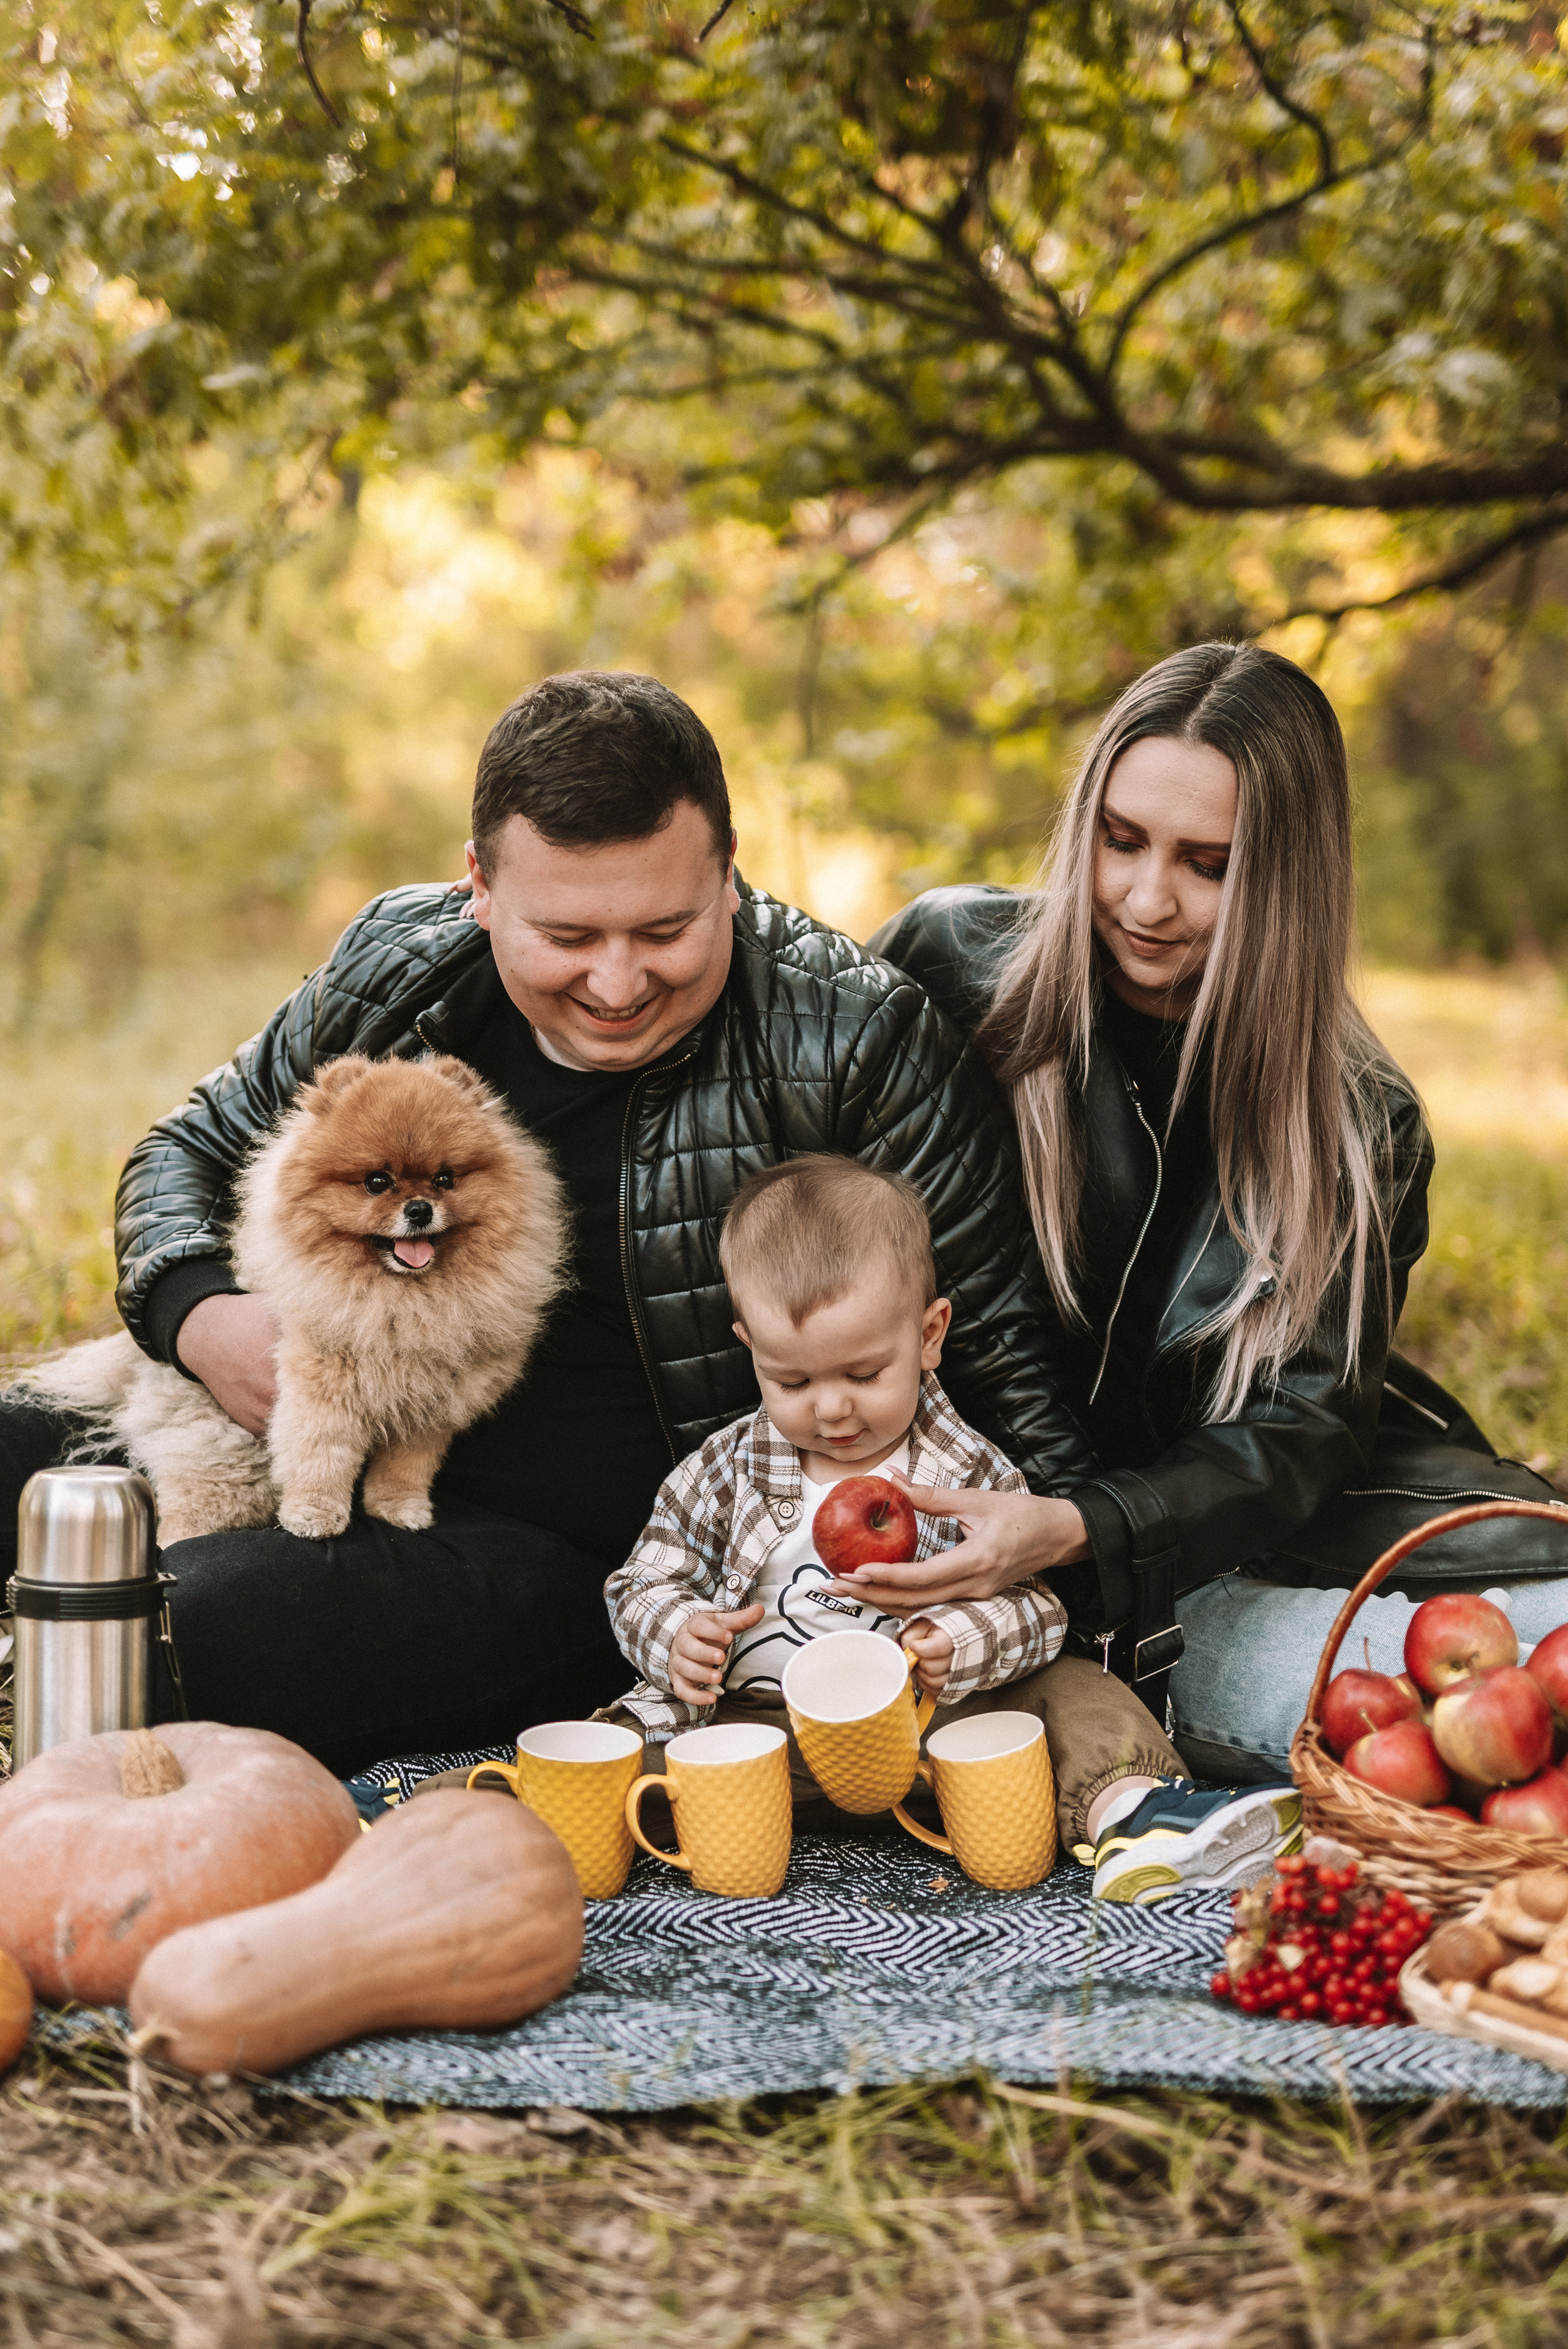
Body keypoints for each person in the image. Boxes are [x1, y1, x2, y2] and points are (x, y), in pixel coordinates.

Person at [0, 670, 1098, 1777]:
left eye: (664, 926)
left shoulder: (854, 1038)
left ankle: (91, 1714)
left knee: (206, 1619)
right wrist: (204, 1319)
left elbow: (995, 1337)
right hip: (320, 1417)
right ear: (478, 884)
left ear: (727, 871)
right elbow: (184, 1151)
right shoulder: (400, 962)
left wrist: (1072, 1560)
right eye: (568, 933)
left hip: (605, 1565)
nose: (618, 981)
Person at [862, 641, 1567, 1802]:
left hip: (1205, 1555)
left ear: (1286, 878)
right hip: (945, 1544)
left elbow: (1302, 1430)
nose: (1147, 900)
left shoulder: (1358, 1119)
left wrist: (1085, 1527)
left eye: (1209, 864)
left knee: (1519, 1680)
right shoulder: (950, 963)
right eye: (1122, 839)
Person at [601, 1154, 1302, 1897]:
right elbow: (640, 1582)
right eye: (792, 1381)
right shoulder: (723, 1470)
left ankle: (1136, 1814)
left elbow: (1039, 1610)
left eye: (864, 1374)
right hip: (755, 1738)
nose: (831, 1409)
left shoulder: (965, 1472)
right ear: (750, 1348)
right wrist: (678, 1634)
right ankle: (527, 1816)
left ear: (929, 1335)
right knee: (618, 1743)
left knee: (1071, 1692)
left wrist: (959, 1644)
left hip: (929, 1737)